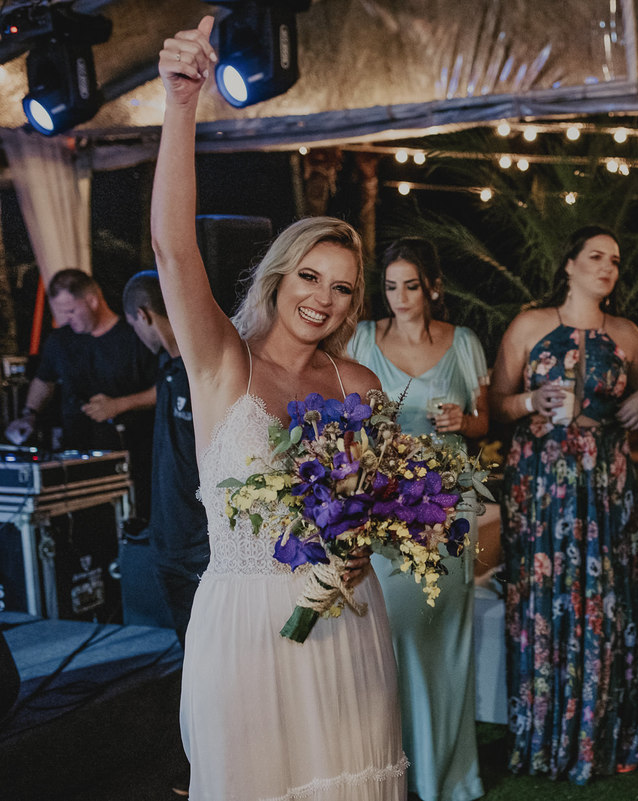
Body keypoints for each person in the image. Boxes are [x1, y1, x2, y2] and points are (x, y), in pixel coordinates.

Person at [153, 17, 406, 799]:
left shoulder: (358, 385)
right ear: (278, 274)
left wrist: (369, 544)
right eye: (309, 277)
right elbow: (173, 249)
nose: (322, 299)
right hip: (245, 630)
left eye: (340, 287)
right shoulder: (222, 360)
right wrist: (181, 107)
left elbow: (382, 506)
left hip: (345, 623)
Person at [492, 224, 638, 783]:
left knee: (606, 601)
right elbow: (495, 406)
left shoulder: (625, 332)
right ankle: (545, 735)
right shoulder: (531, 325)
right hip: (542, 483)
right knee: (545, 600)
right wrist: (529, 399)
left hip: (606, 484)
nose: (607, 267)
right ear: (569, 264)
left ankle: (607, 731)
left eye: (615, 261)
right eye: (595, 257)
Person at [346, 237, 489, 801]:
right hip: (385, 504)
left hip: (450, 505)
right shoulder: (362, 339)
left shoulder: (465, 343)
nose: (400, 297)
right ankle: (388, 767)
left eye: (410, 285)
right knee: (388, 632)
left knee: (440, 635)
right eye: (389, 286)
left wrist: (463, 422)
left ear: (432, 287)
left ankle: (445, 775)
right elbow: (345, 413)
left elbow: (485, 420)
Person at [6, 268, 157, 515]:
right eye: (62, 312)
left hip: (131, 457)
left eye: (72, 311)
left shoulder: (133, 336)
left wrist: (119, 405)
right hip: (75, 455)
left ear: (93, 300)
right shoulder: (60, 340)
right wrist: (29, 413)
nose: (67, 318)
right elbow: (44, 381)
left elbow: (164, 388)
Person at [122, 271, 210, 647]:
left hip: (198, 543)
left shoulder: (202, 368)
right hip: (171, 538)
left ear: (143, 315)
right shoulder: (169, 368)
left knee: (208, 651)